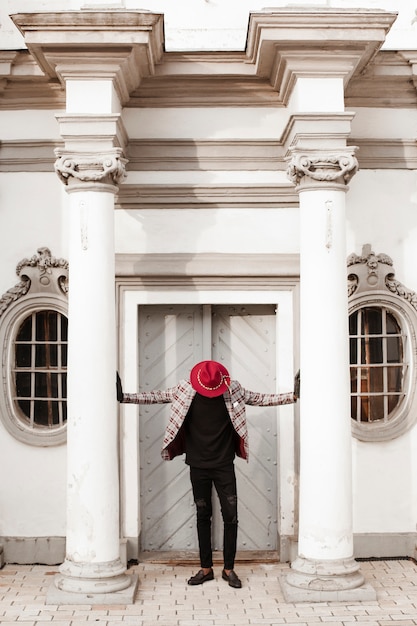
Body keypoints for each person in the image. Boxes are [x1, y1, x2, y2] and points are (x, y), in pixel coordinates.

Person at [117, 360, 299, 589]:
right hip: (198, 466)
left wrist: (292, 396)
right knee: (203, 516)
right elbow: (156, 396)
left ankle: (229, 569)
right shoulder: (184, 389)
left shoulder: (233, 389)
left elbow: (260, 399)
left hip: (224, 466)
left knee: (230, 516)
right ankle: (206, 569)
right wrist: (124, 396)